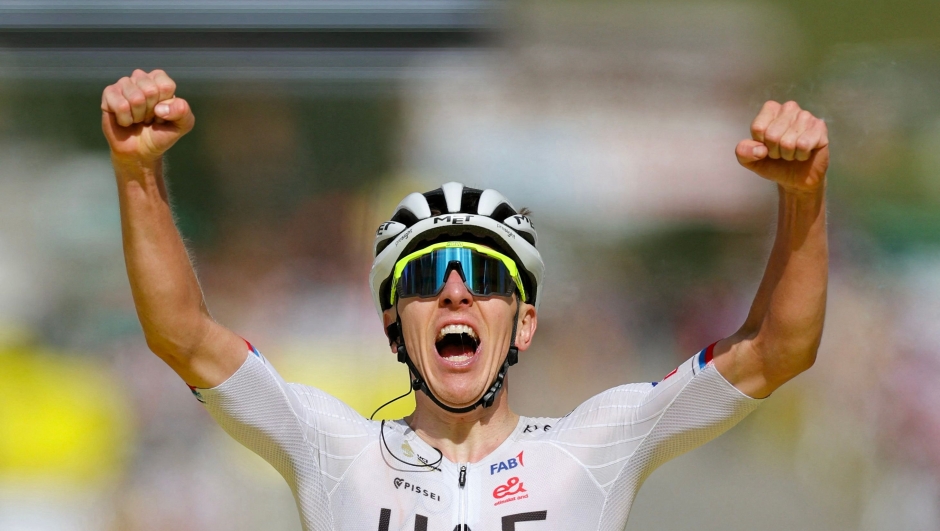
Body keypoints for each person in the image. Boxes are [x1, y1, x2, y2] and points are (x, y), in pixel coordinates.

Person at [102, 69, 829, 530]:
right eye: (423, 281)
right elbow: (184, 335)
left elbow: (778, 349)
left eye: (486, 279)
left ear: (525, 323)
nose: (455, 291)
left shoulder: (595, 443)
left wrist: (802, 198)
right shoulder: (332, 446)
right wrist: (138, 175)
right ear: (393, 328)